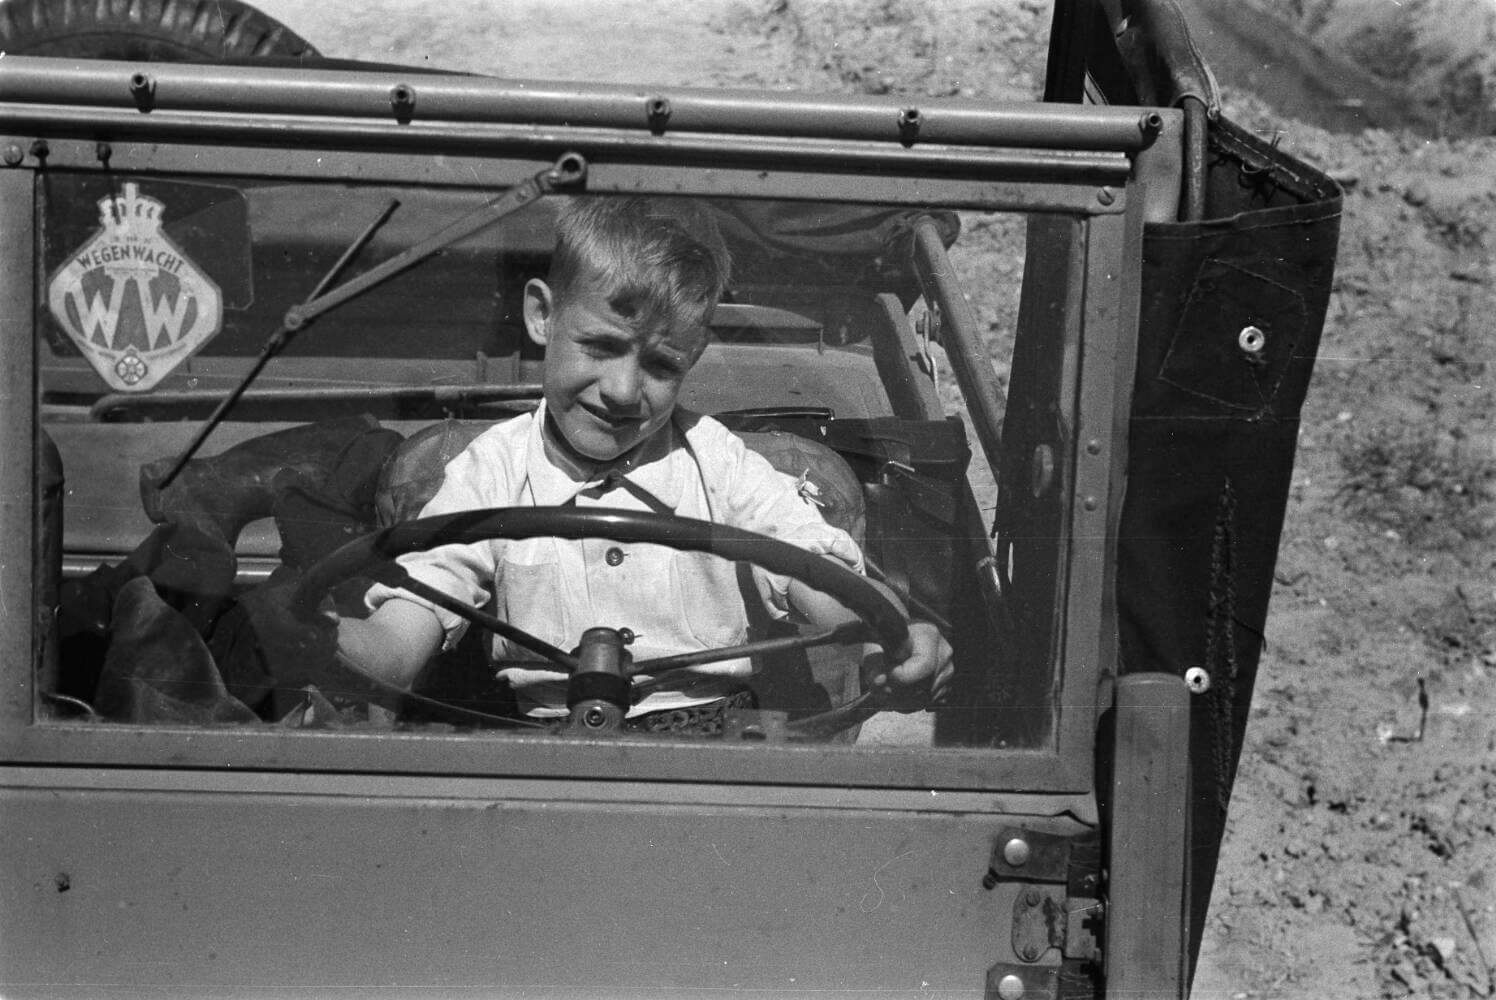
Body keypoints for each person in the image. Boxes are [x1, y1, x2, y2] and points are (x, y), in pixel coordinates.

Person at [335, 195, 951, 730]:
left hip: (720, 747)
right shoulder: (491, 469)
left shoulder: (718, 463)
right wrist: (325, 643)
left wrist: (894, 636)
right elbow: (400, 640)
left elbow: (819, 577)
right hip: (542, 753)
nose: (623, 391)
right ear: (542, 316)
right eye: (601, 346)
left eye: (660, 364)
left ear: (694, 355)